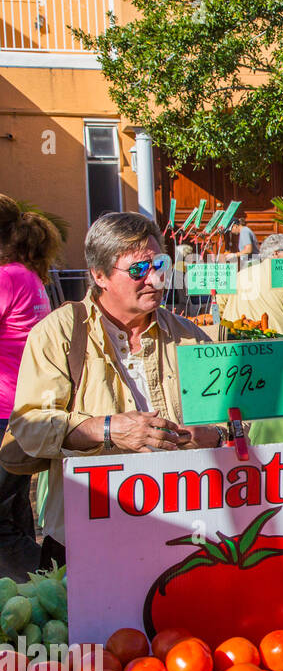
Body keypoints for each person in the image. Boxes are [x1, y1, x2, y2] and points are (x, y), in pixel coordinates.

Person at [8, 212, 224, 567]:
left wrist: (211, 435)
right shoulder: (59, 333)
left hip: (179, 531)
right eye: (138, 270)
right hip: (86, 534)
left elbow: (238, 421)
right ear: (99, 275)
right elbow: (30, 425)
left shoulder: (189, 336)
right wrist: (107, 430)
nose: (155, 279)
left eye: (160, 264)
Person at [0, 196, 57, 575]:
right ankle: (31, 598)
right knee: (14, 515)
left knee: (4, 525)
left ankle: (56, 582)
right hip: (18, 414)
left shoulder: (7, 277)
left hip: (5, 413)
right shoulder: (26, 274)